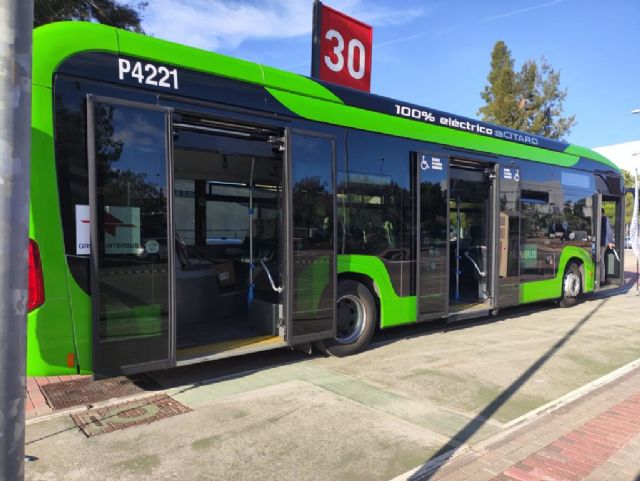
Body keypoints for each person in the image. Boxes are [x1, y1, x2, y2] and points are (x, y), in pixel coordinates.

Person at [601, 208, 615, 284]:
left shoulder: (604, 219)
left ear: (602, 213)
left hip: (603, 243)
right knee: (601, 259)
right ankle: (601, 278)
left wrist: (609, 242)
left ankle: (602, 279)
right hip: (603, 242)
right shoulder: (605, 219)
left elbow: (608, 232)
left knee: (600, 260)